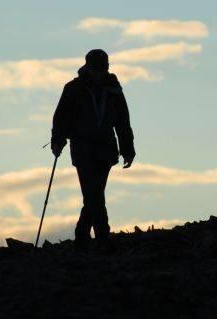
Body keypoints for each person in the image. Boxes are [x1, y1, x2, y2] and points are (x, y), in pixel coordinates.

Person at [51, 49, 136, 253]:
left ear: (107, 68)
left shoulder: (114, 89)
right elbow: (61, 117)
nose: (99, 73)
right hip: (83, 147)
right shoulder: (73, 88)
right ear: (88, 68)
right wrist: (57, 140)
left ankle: (81, 234)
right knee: (94, 193)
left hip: (106, 148)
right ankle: (103, 238)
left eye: (102, 69)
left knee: (94, 194)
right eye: (96, 69)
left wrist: (128, 149)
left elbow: (123, 121)